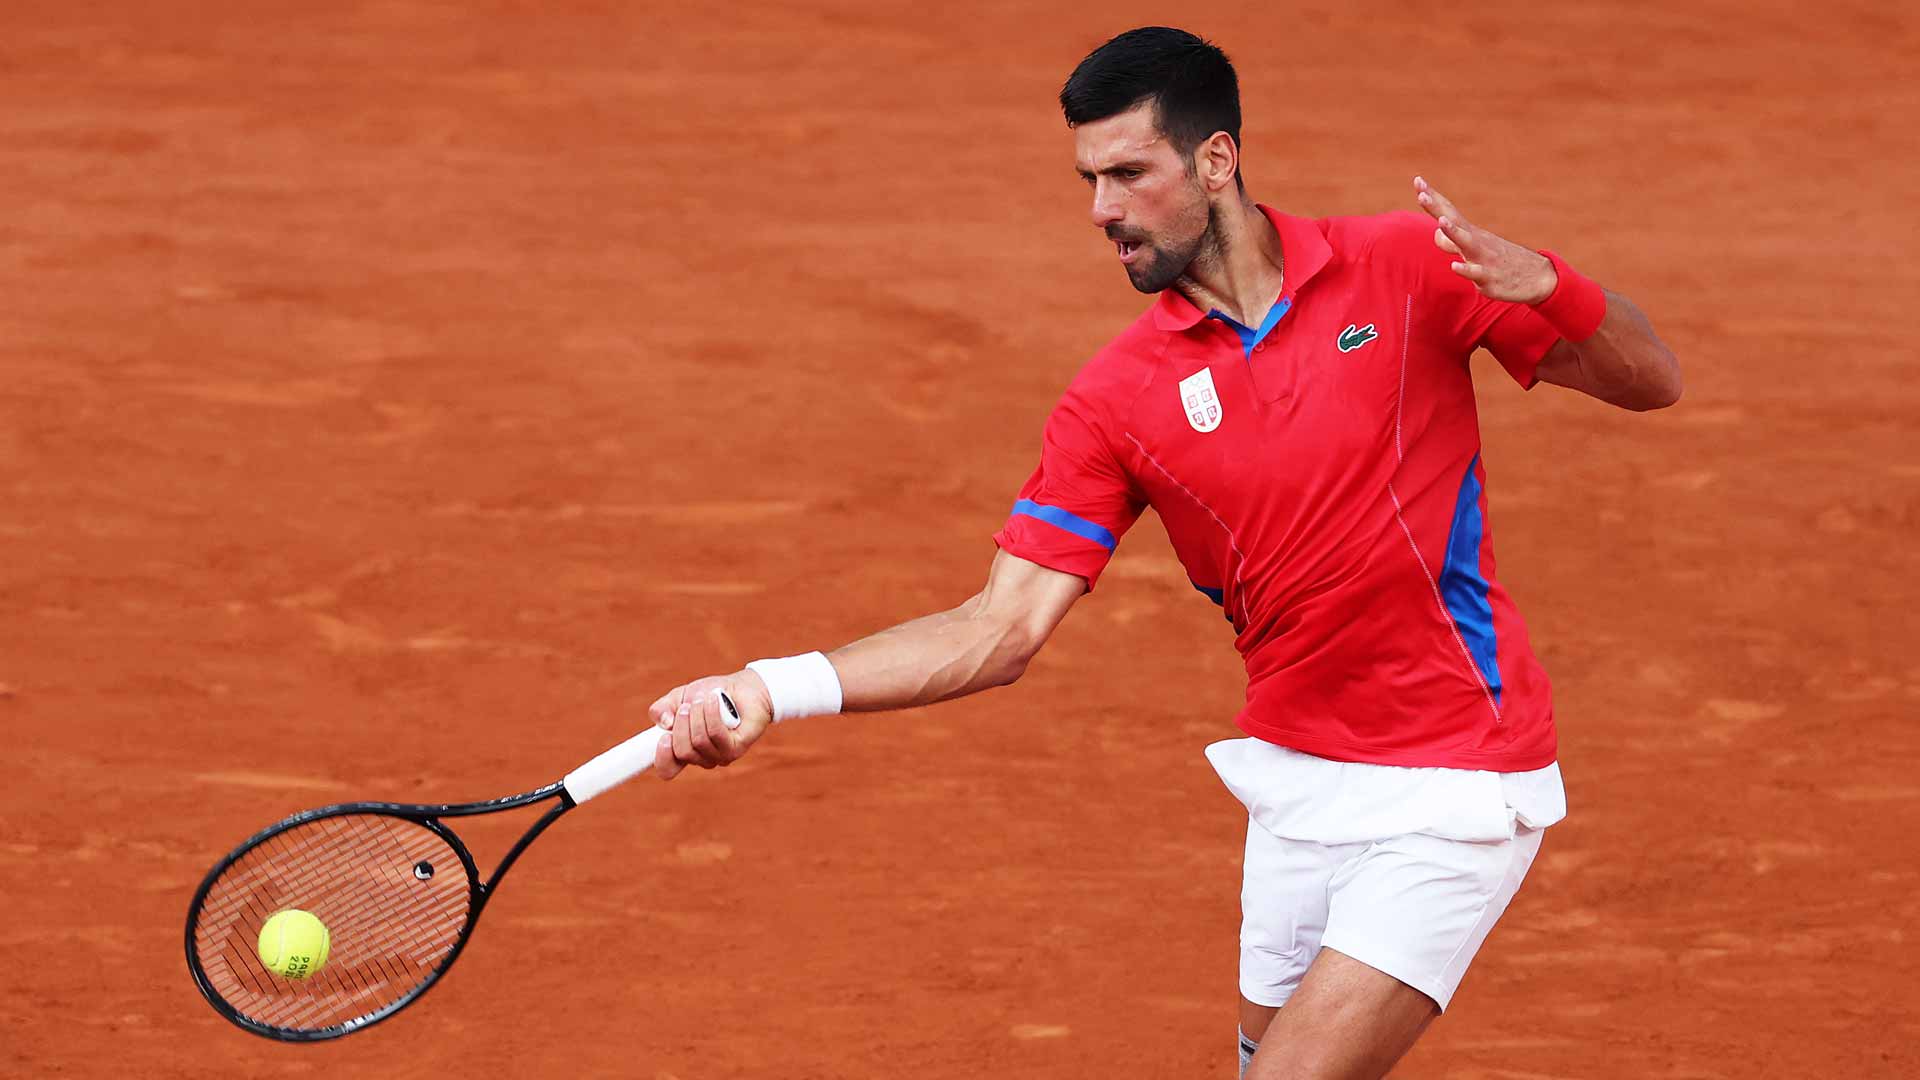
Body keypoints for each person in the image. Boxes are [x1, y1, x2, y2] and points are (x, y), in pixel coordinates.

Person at [645, 25, 1681, 1080]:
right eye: (1090, 180)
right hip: (1297, 788)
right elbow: (997, 630)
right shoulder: (1115, 400)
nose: (1102, 209)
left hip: (1458, 779)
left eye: (1130, 174)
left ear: (1216, 161)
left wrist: (1551, 282)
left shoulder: (1407, 269)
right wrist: (773, 687)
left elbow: (1651, 381)